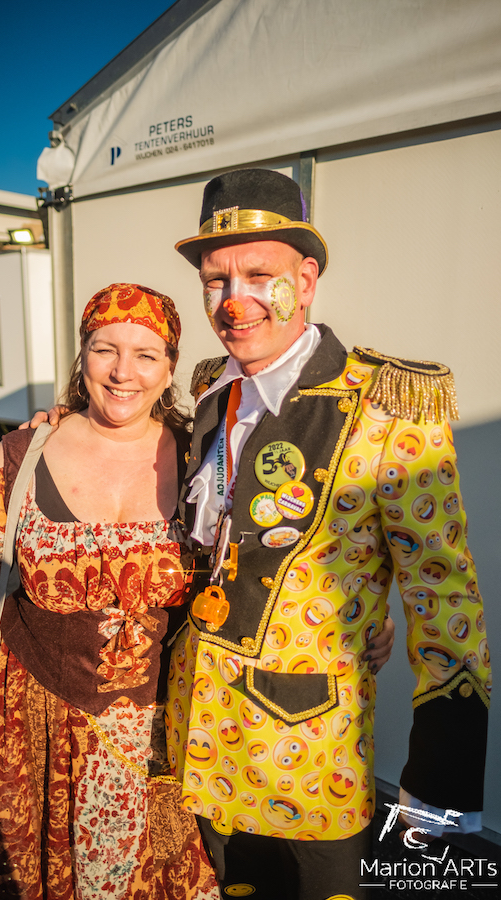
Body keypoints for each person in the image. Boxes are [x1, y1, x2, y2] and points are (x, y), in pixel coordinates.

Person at [161, 168, 490, 900]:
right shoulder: (213, 387)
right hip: (196, 743)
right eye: (216, 281)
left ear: (306, 280)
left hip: (308, 758)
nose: (234, 301)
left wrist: (437, 791)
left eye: (259, 275)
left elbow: (446, 601)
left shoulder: (390, 402)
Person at [0, 284, 220, 900]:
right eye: (105, 349)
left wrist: (363, 622)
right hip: (27, 726)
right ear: (82, 355)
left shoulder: (206, 458)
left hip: (157, 741)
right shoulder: (20, 454)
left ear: (170, 365)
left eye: (146, 355)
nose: (123, 372)